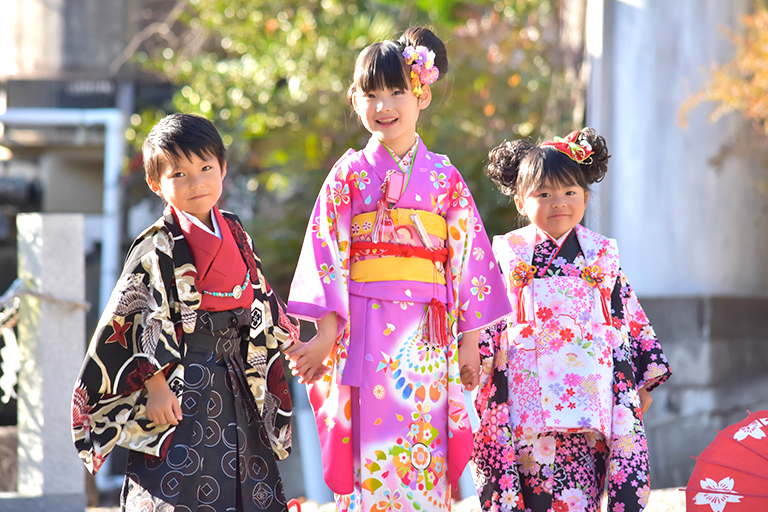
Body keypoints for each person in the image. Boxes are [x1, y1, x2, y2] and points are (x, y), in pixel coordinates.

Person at [285, 26, 512, 512]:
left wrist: (470, 342)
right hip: (364, 326)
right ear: (354, 99)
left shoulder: (445, 177)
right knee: (370, 448)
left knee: (425, 449)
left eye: (395, 92)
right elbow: (326, 252)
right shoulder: (347, 175)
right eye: (370, 94)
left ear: (420, 93)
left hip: (427, 336)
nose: (383, 105)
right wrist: (324, 335)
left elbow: (469, 257)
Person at [71, 113, 299, 512]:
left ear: (223, 169)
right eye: (179, 174)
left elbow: (259, 294)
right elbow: (137, 315)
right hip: (180, 382)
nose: (197, 182)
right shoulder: (156, 244)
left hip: (234, 377)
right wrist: (155, 386)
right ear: (156, 183)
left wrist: (291, 340)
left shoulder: (235, 229)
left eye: (206, 167)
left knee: (245, 479)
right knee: (176, 486)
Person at [470, 128, 672, 512]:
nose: (557, 202)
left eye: (569, 192)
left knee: (579, 491)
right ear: (520, 200)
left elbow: (624, 314)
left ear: (585, 196)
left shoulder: (600, 255)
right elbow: (489, 316)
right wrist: (473, 359)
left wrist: (640, 381)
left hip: (590, 395)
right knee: (527, 485)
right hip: (522, 394)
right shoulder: (508, 254)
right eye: (543, 194)